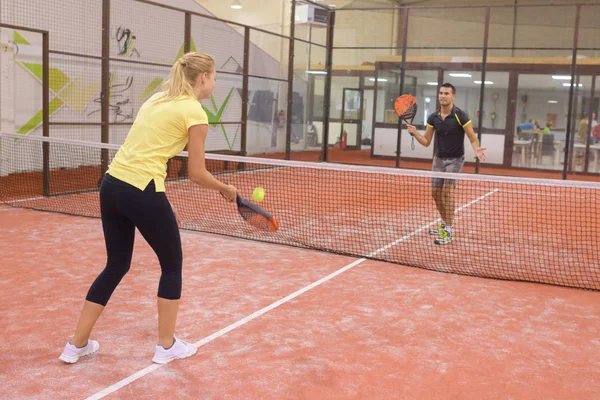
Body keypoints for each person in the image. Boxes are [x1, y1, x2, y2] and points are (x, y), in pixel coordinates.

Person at [58, 52, 237, 364]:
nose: (215, 83)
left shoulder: (157, 99)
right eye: (215, 77)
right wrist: (225, 188)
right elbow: (196, 172)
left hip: (111, 184)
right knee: (171, 265)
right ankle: (166, 346)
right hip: (142, 188)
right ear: (203, 78)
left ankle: (76, 344)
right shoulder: (195, 112)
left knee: (116, 264)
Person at [407, 83, 487, 245]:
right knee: (436, 194)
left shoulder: (460, 115)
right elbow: (426, 142)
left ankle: (449, 230)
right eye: (441, 93)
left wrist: (477, 147)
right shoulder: (433, 117)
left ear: (453, 96)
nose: (443, 96)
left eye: (446, 93)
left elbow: (472, 136)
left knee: (447, 193)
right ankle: (444, 222)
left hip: (455, 160)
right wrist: (415, 133)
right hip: (438, 159)